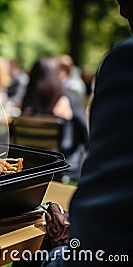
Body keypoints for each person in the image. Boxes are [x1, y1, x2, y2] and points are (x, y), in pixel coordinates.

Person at [41, 1, 133, 266]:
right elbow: (83, 132)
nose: (121, 9)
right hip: (65, 161)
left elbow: (100, 243)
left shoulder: (126, 62)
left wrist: (68, 246)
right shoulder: (69, 100)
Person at [21, 57, 89, 182]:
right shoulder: (69, 99)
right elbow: (86, 134)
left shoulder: (28, 102)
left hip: (31, 167)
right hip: (63, 167)